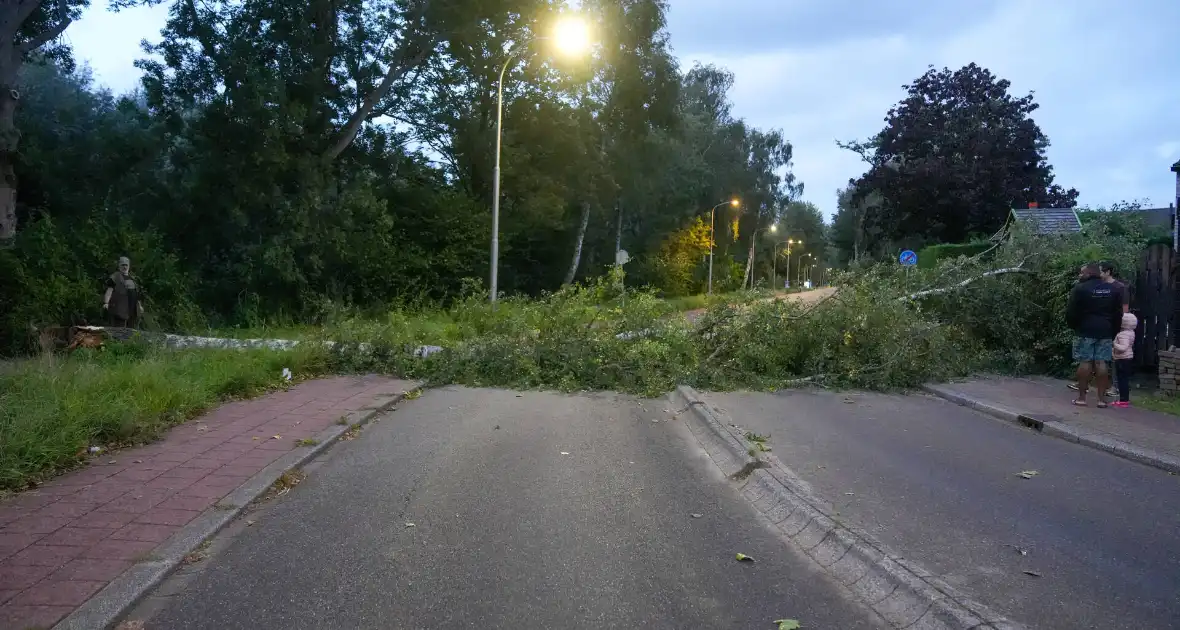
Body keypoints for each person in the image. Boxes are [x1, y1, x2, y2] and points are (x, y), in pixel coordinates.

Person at [1065, 262, 1122, 407]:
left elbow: (1071, 312)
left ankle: (1082, 398)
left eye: (1082, 272)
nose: (1079, 275)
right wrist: (1113, 330)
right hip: (1105, 330)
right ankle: (1102, 400)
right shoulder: (1112, 290)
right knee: (1101, 363)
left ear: (1089, 273)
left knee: (1085, 362)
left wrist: (1075, 326)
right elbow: (1118, 313)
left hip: (1085, 330)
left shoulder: (1080, 289)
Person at [103, 256, 142, 328]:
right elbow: (109, 290)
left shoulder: (133, 278)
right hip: (119, 308)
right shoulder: (115, 276)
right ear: (119, 266)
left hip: (132, 309)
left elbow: (137, 294)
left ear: (129, 266)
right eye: (123, 265)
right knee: (119, 328)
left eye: (126, 265)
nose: (124, 267)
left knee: (131, 329)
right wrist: (106, 302)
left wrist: (139, 306)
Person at [1112, 312, 1138, 408]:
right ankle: (1124, 399)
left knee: (1121, 380)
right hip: (1128, 358)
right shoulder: (1131, 333)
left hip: (1122, 359)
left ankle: (1123, 400)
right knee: (1125, 380)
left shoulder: (1123, 334)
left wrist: (1114, 344)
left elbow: (1123, 347)